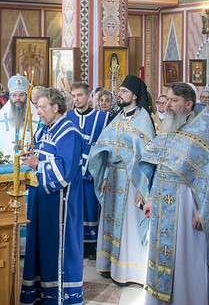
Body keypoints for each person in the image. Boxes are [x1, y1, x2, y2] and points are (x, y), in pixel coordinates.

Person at [141, 82, 209, 304]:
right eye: (167, 100)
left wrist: (204, 212)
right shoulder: (168, 128)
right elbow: (158, 167)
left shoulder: (204, 135)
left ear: (189, 104)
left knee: (186, 259)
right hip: (162, 207)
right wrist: (150, 198)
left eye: (174, 101)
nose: (168, 105)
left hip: (189, 209)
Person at [88, 75, 155, 285]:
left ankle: (129, 271)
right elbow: (108, 150)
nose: (119, 94)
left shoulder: (143, 119)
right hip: (114, 176)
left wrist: (141, 189)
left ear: (135, 96)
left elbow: (147, 158)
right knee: (110, 222)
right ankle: (109, 265)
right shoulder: (118, 117)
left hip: (131, 180)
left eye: (124, 91)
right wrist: (106, 176)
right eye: (119, 91)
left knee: (129, 226)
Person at [20, 88, 84, 305]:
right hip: (41, 201)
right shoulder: (44, 130)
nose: (38, 112)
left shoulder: (69, 132)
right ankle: (39, 291)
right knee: (39, 246)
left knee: (54, 249)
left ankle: (58, 295)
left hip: (60, 206)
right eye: (37, 107)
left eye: (42, 107)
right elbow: (37, 156)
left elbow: (66, 171)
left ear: (55, 108)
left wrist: (38, 164)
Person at [66, 81, 111, 260]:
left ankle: (92, 247)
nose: (77, 99)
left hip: (93, 172)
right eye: (74, 96)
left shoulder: (103, 118)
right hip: (73, 172)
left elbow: (107, 147)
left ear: (89, 96)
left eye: (80, 95)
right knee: (75, 209)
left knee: (91, 208)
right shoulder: (67, 117)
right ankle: (77, 245)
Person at [0, 75, 39, 157]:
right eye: (14, 95)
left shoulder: (37, 118)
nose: (17, 98)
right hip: (5, 166)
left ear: (27, 97)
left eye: (21, 95)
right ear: (10, 97)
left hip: (29, 167)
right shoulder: (1, 117)